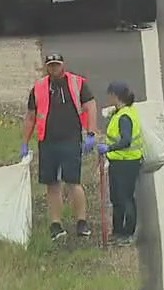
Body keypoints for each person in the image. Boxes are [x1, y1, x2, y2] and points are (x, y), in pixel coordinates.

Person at [21, 52, 99, 240]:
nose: (54, 68)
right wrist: (24, 142)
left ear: (62, 65)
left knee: (73, 182)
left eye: (57, 65)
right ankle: (55, 224)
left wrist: (91, 133)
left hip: (71, 139)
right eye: (50, 65)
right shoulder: (39, 88)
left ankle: (81, 221)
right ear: (46, 67)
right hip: (47, 141)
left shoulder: (77, 83)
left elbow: (90, 106)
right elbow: (31, 116)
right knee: (52, 184)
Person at [98, 81, 145, 246]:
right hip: (118, 161)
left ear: (115, 96)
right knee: (117, 198)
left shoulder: (125, 116)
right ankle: (118, 231)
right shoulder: (120, 112)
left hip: (127, 162)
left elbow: (126, 140)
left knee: (125, 198)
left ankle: (128, 233)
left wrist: (109, 148)